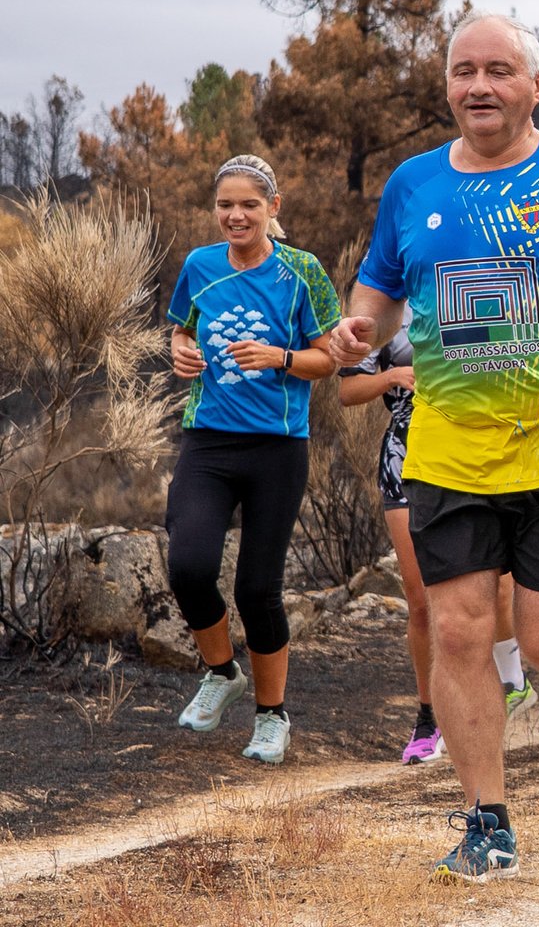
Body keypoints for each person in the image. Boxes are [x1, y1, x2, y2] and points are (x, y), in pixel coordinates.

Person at [327, 13, 539, 884]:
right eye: (463, 71)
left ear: (536, 86)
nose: (478, 86)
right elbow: (378, 296)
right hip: (446, 454)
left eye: (498, 71)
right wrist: (355, 329)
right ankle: (489, 819)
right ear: (447, 85)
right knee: (459, 632)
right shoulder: (411, 185)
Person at [166, 153, 339, 765]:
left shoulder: (304, 272)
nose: (235, 215)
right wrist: (181, 351)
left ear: (273, 208)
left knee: (257, 589)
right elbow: (181, 329)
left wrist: (280, 358)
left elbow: (331, 358)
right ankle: (221, 672)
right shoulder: (200, 266)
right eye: (225, 205)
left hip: (278, 445)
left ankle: (272, 717)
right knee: (187, 567)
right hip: (208, 440)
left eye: (248, 204)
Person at [337, 310, 539, 764]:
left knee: (491, 583)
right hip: (406, 457)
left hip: (481, 451)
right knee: (421, 600)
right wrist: (391, 375)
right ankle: (430, 717)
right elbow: (348, 390)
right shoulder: (381, 304)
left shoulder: (469, 275)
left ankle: (512, 677)